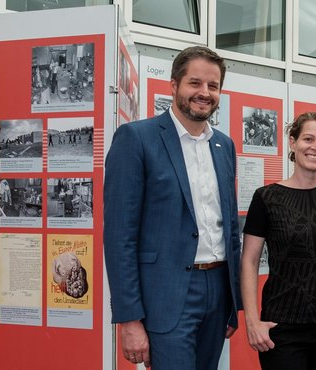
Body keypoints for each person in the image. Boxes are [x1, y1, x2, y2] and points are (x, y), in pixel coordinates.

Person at [104, 46, 242, 370]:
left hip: (217, 290)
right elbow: (119, 236)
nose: (204, 93)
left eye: (213, 86)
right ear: (174, 85)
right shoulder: (136, 139)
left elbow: (230, 227)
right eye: (195, 83)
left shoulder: (225, 145)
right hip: (166, 295)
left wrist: (232, 302)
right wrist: (130, 319)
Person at [240, 112, 316, 369]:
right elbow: (249, 262)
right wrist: (252, 321)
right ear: (293, 143)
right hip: (283, 327)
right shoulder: (266, 198)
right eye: (308, 139)